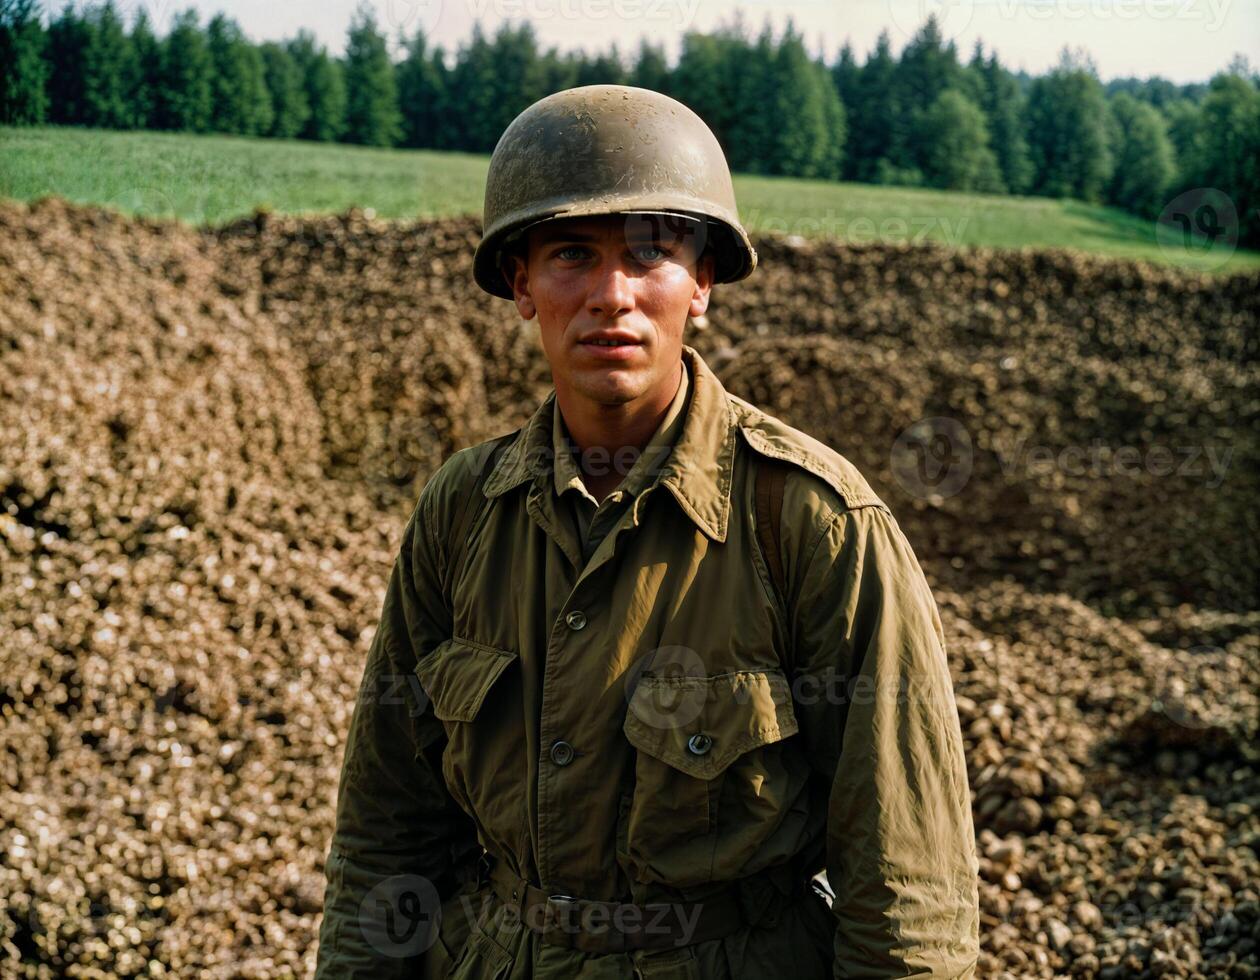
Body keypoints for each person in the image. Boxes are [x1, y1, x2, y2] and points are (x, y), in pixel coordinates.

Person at [314, 84, 980, 980]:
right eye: (570, 256)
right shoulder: (462, 513)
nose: (611, 296)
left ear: (702, 282)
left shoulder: (815, 522)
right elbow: (385, 834)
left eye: (652, 255)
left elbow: (906, 894)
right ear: (520, 284)